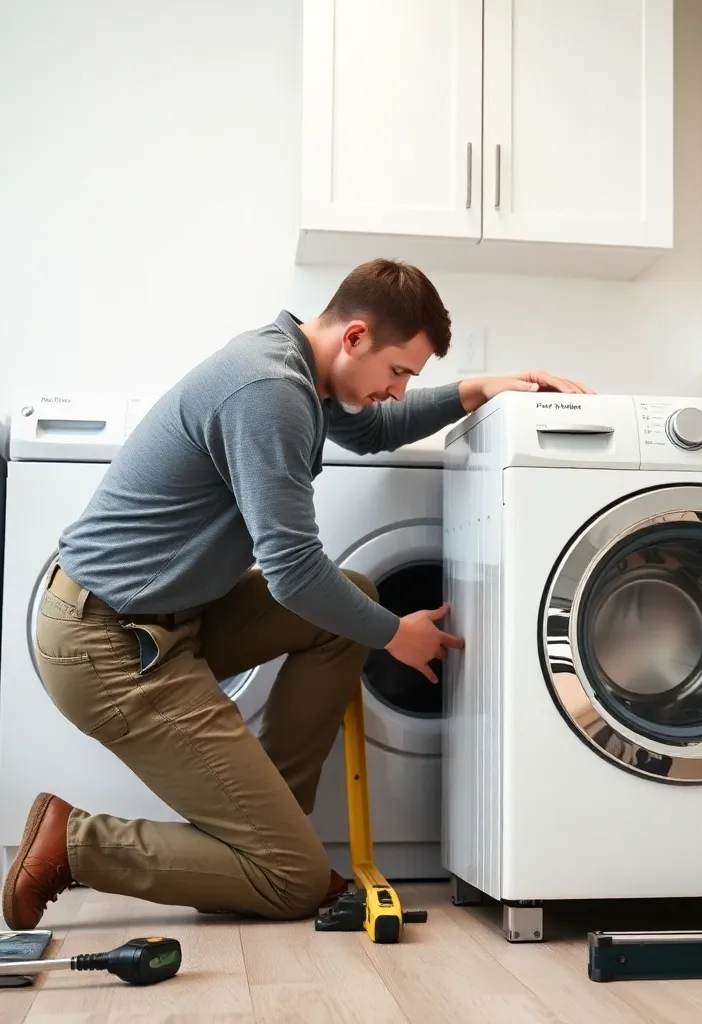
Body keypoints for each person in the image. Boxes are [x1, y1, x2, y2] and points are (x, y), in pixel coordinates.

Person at [2, 258, 591, 929]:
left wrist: (476, 389)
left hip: (164, 619)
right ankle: (77, 844)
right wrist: (399, 634)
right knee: (293, 882)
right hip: (107, 646)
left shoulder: (293, 364)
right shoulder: (270, 390)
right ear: (357, 337)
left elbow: (373, 432)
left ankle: (263, 833)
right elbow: (291, 569)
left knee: (352, 601)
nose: (399, 391)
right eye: (399, 371)